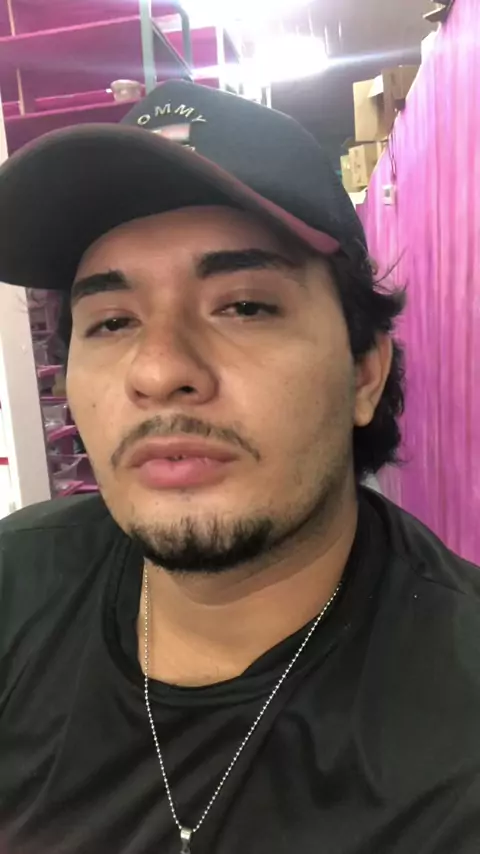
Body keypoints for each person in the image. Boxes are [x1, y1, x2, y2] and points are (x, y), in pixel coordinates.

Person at [0, 80, 479, 854]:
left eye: (244, 306)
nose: (160, 371)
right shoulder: (15, 585)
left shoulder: (456, 736)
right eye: (112, 321)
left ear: (364, 372)